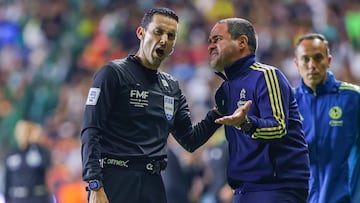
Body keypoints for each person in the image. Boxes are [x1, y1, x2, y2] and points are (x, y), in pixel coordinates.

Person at [80, 7, 223, 203]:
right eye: (158, 31)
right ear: (141, 33)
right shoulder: (112, 74)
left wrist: (218, 113)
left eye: (171, 35)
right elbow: (91, 130)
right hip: (115, 180)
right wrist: (95, 183)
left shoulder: (172, 87)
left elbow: (189, 140)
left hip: (153, 183)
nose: (164, 39)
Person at [207, 18, 310, 203]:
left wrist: (246, 124)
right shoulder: (226, 89)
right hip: (243, 189)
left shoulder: (266, 75)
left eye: (217, 39)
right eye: (210, 41)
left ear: (242, 42)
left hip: (277, 186)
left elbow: (278, 127)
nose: (211, 46)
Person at [293, 33, 360, 203]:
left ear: (329, 61)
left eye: (318, 58)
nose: (312, 65)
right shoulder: (287, 104)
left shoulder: (353, 98)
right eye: (305, 59)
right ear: (296, 64)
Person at [4, 119, 53, 203]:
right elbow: (7, 180)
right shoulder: (11, 154)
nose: (22, 134)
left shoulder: (40, 151)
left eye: (25, 130)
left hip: (37, 197)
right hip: (17, 198)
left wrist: (35, 144)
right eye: (19, 131)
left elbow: (46, 164)